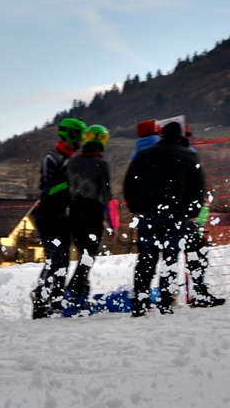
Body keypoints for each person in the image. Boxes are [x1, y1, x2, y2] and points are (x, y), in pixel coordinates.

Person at [123, 121, 216, 316]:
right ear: (178, 136)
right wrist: (192, 211)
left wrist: (136, 207)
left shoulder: (144, 155)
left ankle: (140, 302)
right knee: (170, 258)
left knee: (146, 259)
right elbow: (198, 188)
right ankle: (165, 302)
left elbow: (129, 184)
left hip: (149, 214)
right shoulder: (189, 156)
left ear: (162, 135)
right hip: (176, 215)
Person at [31, 117, 85, 319]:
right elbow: (47, 189)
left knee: (64, 261)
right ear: (70, 135)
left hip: (64, 217)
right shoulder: (51, 158)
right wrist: (69, 185)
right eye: (78, 137)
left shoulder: (73, 160)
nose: (80, 141)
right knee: (55, 258)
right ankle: (40, 297)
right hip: (48, 216)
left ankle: (56, 301)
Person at [63, 125, 119, 307]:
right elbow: (107, 194)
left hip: (74, 212)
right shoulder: (102, 164)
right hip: (92, 212)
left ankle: (79, 289)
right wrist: (113, 223)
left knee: (83, 253)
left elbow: (66, 189)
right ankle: (75, 291)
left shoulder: (71, 162)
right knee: (89, 255)